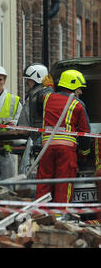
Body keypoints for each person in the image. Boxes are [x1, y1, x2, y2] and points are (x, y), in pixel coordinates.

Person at [35, 70, 91, 203]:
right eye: (79, 88)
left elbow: (42, 93)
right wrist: (84, 153)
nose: (80, 92)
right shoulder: (78, 104)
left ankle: (39, 217)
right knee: (63, 185)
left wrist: (49, 86)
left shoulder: (47, 98)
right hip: (66, 152)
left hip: (46, 149)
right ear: (72, 86)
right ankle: (60, 218)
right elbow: (85, 132)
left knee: (43, 184)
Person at [17, 63, 53, 176]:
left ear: (37, 78)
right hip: (50, 141)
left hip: (36, 142)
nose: (27, 82)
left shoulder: (33, 97)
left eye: (29, 80)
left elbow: (23, 124)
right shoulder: (51, 93)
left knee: (29, 175)